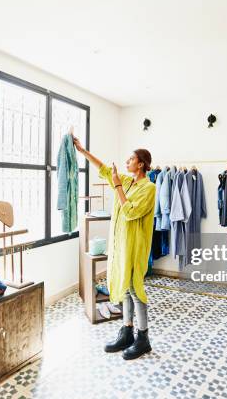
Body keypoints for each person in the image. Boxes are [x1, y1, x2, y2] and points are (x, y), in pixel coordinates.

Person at [73, 136, 156, 360]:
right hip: (120, 245)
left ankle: (143, 338)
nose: (127, 162)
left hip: (135, 247)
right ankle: (127, 331)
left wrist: (118, 184)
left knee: (136, 290)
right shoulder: (127, 182)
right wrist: (83, 151)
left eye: (131, 159)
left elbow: (129, 211)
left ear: (141, 164)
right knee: (125, 288)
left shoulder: (149, 188)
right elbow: (103, 169)